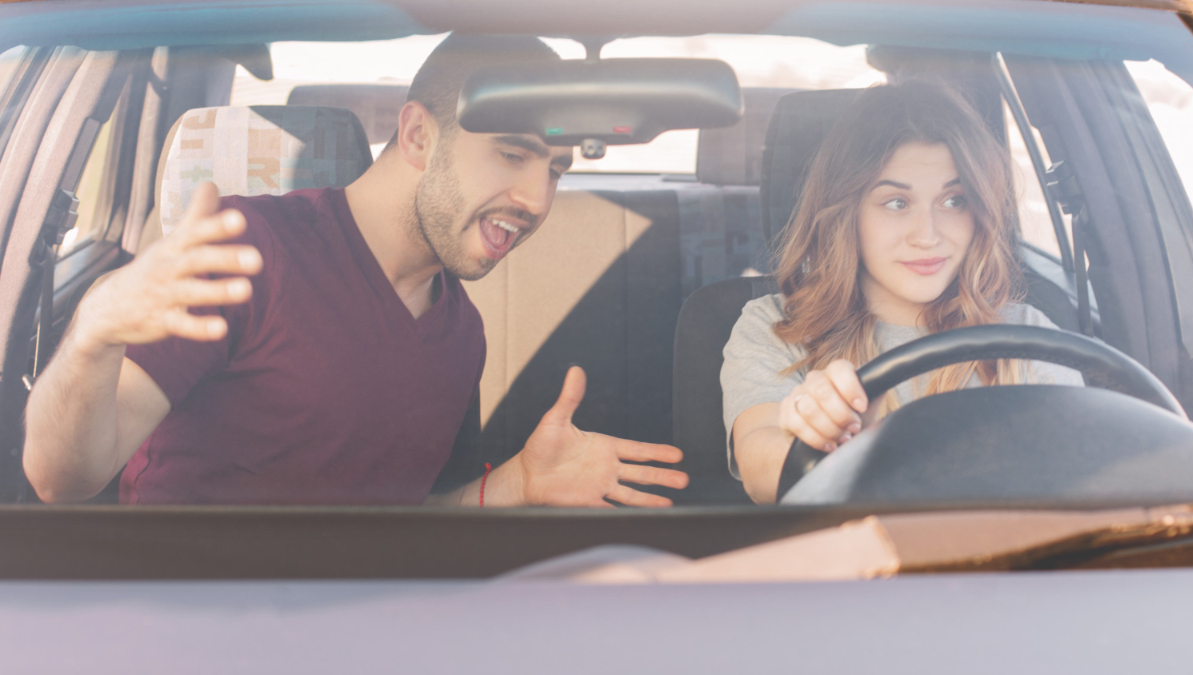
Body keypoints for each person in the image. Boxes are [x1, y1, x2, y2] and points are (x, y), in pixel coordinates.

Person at [22, 34, 688, 506]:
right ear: (419, 136)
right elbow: (63, 478)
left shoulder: (462, 334)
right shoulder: (245, 253)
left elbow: (395, 535)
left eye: (557, 169)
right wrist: (92, 339)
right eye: (514, 154)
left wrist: (512, 487)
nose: (539, 200)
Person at [721, 81, 1083, 504]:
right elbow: (762, 468)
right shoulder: (776, 327)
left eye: (954, 201)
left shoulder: (1025, 335)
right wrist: (825, 439)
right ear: (847, 212)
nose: (928, 237)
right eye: (896, 203)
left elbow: (1082, 468)